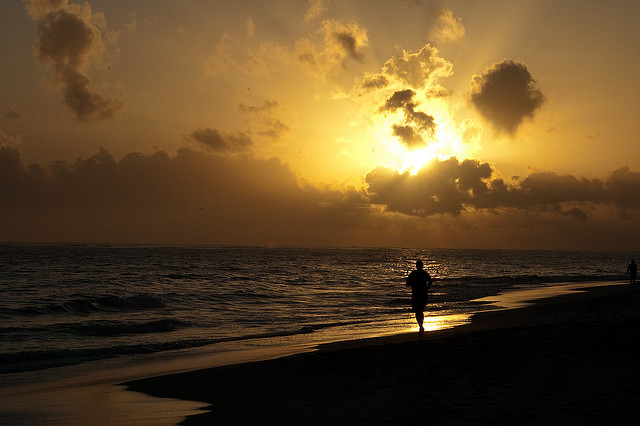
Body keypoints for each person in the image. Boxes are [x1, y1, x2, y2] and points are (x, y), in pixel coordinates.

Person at [406, 260, 432, 335]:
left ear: (417, 266)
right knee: (420, 310)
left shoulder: (413, 273)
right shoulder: (424, 273)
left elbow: (407, 283)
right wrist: (427, 288)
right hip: (423, 294)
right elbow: (430, 281)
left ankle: (420, 326)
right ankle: (421, 326)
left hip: (416, 294)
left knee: (418, 311)